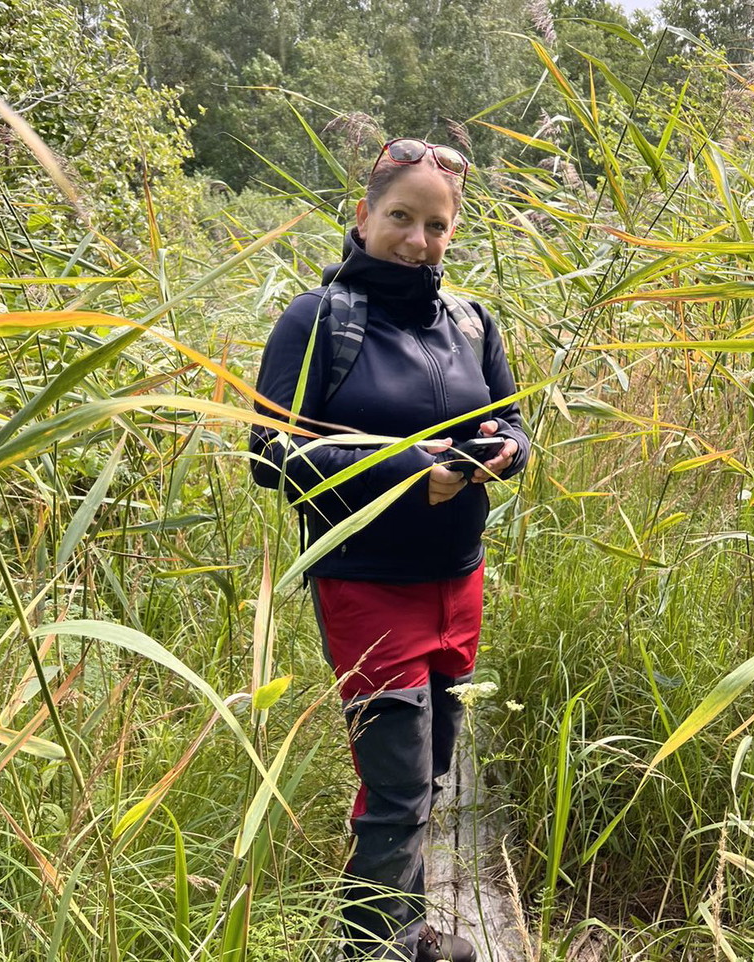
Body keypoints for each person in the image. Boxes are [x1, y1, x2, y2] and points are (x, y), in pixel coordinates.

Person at [249, 137, 530, 962]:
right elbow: (267, 454)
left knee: (428, 768)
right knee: (402, 785)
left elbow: (514, 422)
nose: (417, 239)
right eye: (401, 217)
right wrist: (409, 470)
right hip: (367, 584)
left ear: (453, 233)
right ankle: (369, 946)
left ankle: (399, 926)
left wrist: (506, 452)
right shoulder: (316, 320)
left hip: (457, 579)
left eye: (436, 225)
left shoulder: (472, 322)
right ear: (365, 214)